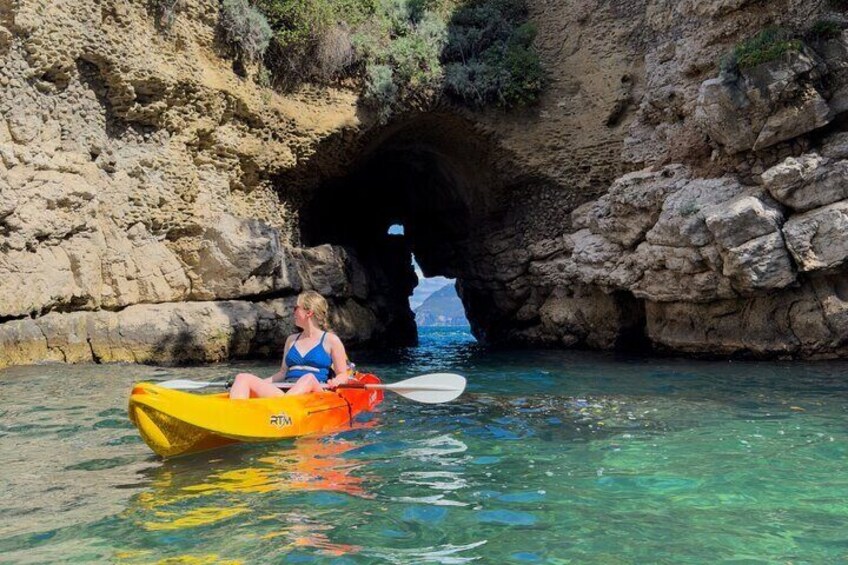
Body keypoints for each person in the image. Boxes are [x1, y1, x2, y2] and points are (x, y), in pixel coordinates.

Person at [228, 291, 353, 399]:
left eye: (296, 308)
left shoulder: (331, 340)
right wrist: (260, 383)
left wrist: (336, 381)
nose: (293, 312)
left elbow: (342, 374)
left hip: (315, 391)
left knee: (307, 378)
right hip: (288, 391)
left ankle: (284, 407)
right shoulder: (291, 340)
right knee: (242, 378)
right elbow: (283, 373)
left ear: (308, 313)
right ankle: (236, 414)